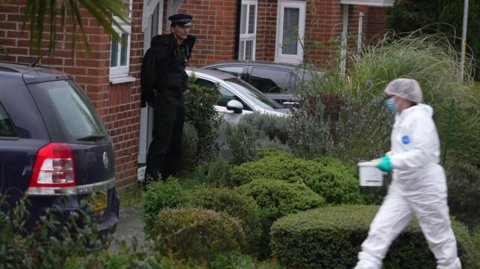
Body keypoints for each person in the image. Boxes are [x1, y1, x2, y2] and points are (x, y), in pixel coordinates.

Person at [354, 78, 462, 269]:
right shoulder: (401, 118)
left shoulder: (419, 118)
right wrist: (385, 159)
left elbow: (424, 154)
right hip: (402, 187)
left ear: (402, 98)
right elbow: (405, 150)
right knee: (379, 232)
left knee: (440, 239)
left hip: (425, 187)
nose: (388, 100)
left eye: (391, 96)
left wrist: (392, 162)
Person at [140, 13, 196, 183]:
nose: (186, 30)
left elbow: (180, 71)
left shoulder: (185, 47)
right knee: (161, 140)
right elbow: (148, 75)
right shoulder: (160, 48)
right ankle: (151, 181)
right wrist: (150, 97)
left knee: (175, 140)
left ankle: (169, 179)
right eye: (182, 27)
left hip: (178, 97)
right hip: (165, 97)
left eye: (187, 27)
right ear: (173, 28)